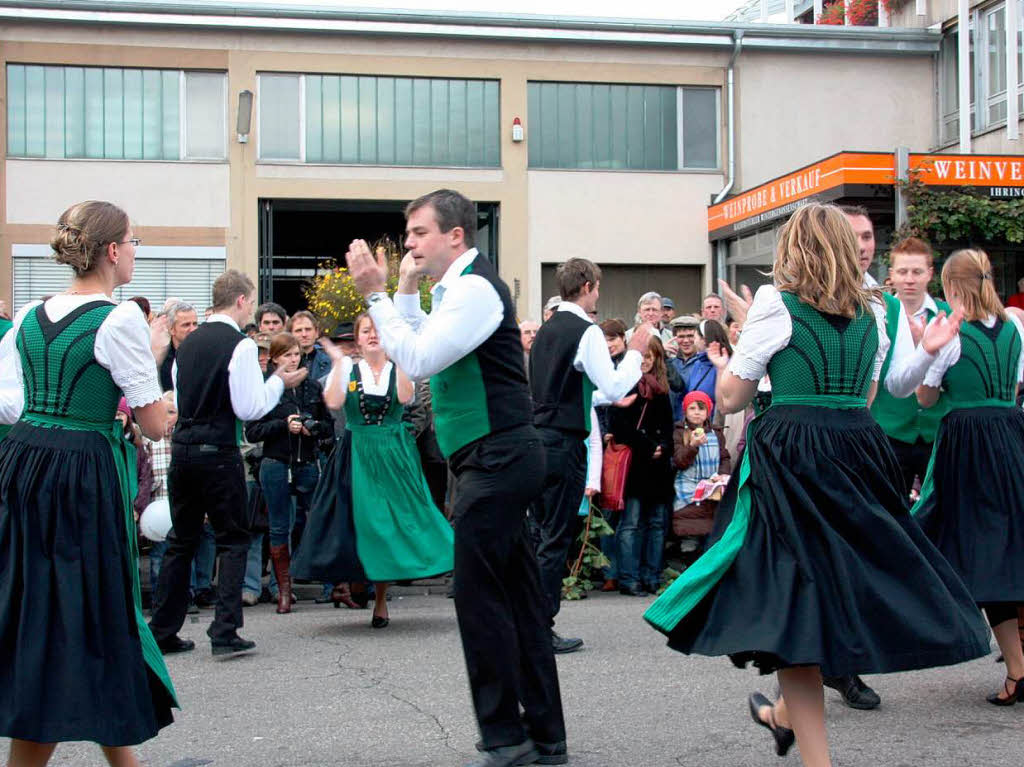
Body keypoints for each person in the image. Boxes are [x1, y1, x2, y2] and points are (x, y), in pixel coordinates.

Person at [643, 203, 987, 767]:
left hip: (793, 455)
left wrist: (738, 346)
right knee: (830, 594)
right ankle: (787, 721)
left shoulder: (779, 303)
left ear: (796, 247)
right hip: (858, 450)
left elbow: (730, 398)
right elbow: (871, 396)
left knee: (794, 597)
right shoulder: (875, 311)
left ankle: (801, 738)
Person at [346, 188, 566, 767]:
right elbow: (417, 342)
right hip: (491, 457)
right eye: (408, 233)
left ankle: (505, 738)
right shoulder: (457, 288)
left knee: (478, 599)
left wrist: (374, 293)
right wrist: (405, 289)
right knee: (516, 599)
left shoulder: (473, 290)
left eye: (419, 232)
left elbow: (415, 360)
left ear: (455, 237)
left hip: (498, 459)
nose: (409, 242)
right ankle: (545, 736)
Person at [0, 200, 178, 764]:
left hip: (25, 462)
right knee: (88, 605)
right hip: (80, 472)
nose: (135, 250)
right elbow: (152, 423)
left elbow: (16, 402)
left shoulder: (29, 314)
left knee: (37, 601)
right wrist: (159, 395)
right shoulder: (119, 317)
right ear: (111, 250)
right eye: (133, 241)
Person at [148, 270, 306, 658]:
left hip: (183, 448)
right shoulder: (240, 346)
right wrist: (279, 383)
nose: (250, 309)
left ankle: (163, 630)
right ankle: (224, 630)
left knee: (181, 541)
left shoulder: (187, 344)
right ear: (240, 301)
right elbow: (248, 407)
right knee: (233, 538)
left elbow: (180, 400)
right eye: (250, 302)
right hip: (217, 452)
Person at [912, 248, 1024, 705]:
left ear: (952, 287)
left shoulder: (953, 335)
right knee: (1013, 547)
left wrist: (926, 351)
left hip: (969, 445)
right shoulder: (1016, 328)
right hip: (1013, 437)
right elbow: (1015, 385)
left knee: (983, 556)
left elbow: (923, 397)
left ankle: (1016, 670)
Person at [293, 315, 454, 626]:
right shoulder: (349, 370)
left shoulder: (398, 368)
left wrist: (402, 357)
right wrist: (340, 365)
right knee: (364, 523)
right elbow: (334, 402)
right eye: (366, 331)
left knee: (397, 521)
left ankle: (381, 598)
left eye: (378, 330)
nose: (373, 335)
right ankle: (358, 586)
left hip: (394, 453)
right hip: (357, 452)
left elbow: (406, 397)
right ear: (358, 337)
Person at [528, 257, 646, 653]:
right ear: (590, 285)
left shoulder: (545, 330)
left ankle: (529, 620)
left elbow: (563, 390)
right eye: (598, 285)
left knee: (542, 534)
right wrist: (636, 353)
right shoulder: (585, 331)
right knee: (555, 538)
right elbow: (612, 387)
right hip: (562, 445)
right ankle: (540, 627)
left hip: (539, 440)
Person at [244, 332, 332, 615]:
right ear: (275, 359)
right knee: (279, 527)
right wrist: (284, 424)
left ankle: (334, 585)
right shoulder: (267, 387)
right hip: (276, 462)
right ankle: (283, 590)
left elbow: (327, 427)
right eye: (287, 356)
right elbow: (253, 430)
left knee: (318, 520)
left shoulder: (312, 387)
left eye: (296, 355)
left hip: (306, 461)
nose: (293, 360)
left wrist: (312, 427)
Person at [871, 237, 951, 498]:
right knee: (890, 511)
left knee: (941, 509)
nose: (909, 279)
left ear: (930, 274)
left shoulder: (945, 314)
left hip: (936, 433)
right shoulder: (879, 313)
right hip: (888, 431)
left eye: (916, 272)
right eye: (903, 272)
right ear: (891, 275)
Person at [609, 337, 675, 596]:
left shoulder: (662, 390)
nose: (646, 360)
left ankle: (652, 576)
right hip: (635, 465)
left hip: (658, 468)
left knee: (657, 524)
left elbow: (669, 428)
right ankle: (629, 578)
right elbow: (619, 426)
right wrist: (649, 445)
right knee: (631, 524)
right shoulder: (625, 388)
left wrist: (664, 447)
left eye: (651, 355)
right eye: (642, 355)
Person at [671, 390, 731, 558]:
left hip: (711, 495)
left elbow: (724, 457)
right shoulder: (678, 433)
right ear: (685, 411)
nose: (697, 412)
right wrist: (693, 446)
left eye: (701, 409)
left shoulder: (716, 434)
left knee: (710, 540)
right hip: (687, 495)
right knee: (689, 541)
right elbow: (679, 461)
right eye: (692, 408)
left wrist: (722, 474)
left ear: (708, 412)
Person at [596, 318, 628, 592]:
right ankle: (609, 572)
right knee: (607, 513)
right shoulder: (597, 367)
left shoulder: (632, 365)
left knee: (628, 515)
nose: (609, 345)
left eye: (613, 339)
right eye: (604, 340)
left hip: (629, 448)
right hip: (604, 449)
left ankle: (627, 571)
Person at [668, 316, 716, 420]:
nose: (685, 340)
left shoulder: (706, 365)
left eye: (690, 336)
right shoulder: (670, 364)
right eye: (681, 336)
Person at [158, 302, 198, 392]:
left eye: (195, 324)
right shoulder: (162, 360)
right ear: (171, 329)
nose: (193, 329)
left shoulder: (205, 355)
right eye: (186, 325)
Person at [288, 310, 332, 384]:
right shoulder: (284, 363)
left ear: (316, 333)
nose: (304, 334)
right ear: (290, 334)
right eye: (298, 330)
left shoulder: (329, 362)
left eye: (308, 329)